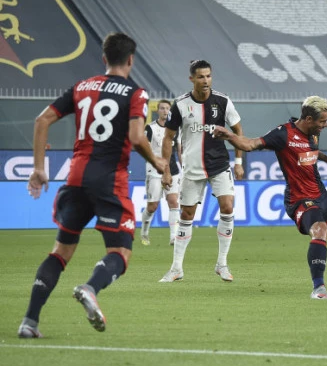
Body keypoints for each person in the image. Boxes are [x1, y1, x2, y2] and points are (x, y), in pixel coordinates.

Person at [17, 33, 168, 338]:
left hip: (75, 178)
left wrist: (39, 168)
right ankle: (90, 287)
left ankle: (29, 322)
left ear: (104, 59)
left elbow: (42, 120)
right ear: (131, 60)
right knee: (120, 251)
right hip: (109, 180)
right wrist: (157, 161)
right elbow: (137, 137)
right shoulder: (136, 93)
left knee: (60, 251)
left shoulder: (81, 87)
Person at [213, 96, 327, 299]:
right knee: (320, 230)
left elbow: (310, 152)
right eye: (322, 121)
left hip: (321, 194)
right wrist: (230, 136)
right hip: (299, 199)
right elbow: (250, 144)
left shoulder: (313, 134)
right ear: (309, 119)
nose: (325, 125)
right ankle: (318, 288)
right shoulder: (283, 134)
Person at [158, 60, 245, 283]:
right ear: (192, 79)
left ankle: (222, 264)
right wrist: (166, 169)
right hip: (192, 167)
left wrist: (238, 161)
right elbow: (168, 138)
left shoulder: (223, 101)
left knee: (227, 207)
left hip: (219, 165)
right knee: (187, 215)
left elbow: (238, 130)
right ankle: (176, 268)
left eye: (208, 76)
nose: (205, 81)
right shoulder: (180, 105)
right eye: (200, 77)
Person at [140, 99, 182, 246]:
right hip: (155, 170)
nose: (165, 111)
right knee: (152, 206)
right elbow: (144, 148)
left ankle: (173, 237)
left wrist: (183, 167)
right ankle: (144, 232)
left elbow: (179, 149)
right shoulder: (150, 128)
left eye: (167, 108)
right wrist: (154, 162)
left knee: (173, 201)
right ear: (157, 111)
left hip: (173, 170)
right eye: (162, 108)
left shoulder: (176, 128)